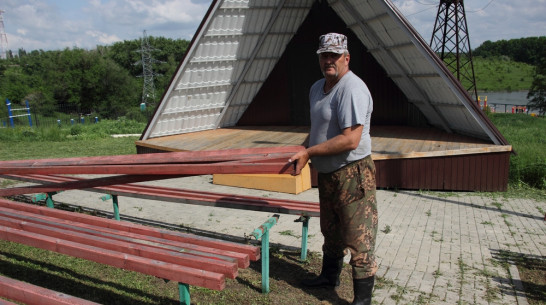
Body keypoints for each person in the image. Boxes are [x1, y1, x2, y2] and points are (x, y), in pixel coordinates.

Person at [289, 33, 378, 305]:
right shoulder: (317, 88)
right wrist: (302, 150)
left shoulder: (352, 89)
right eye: (324, 55)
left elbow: (350, 139)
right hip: (328, 173)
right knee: (331, 230)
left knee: (358, 238)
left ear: (346, 58)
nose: (329, 60)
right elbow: (318, 132)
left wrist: (309, 152)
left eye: (334, 56)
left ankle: (361, 300)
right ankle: (329, 277)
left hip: (353, 173)